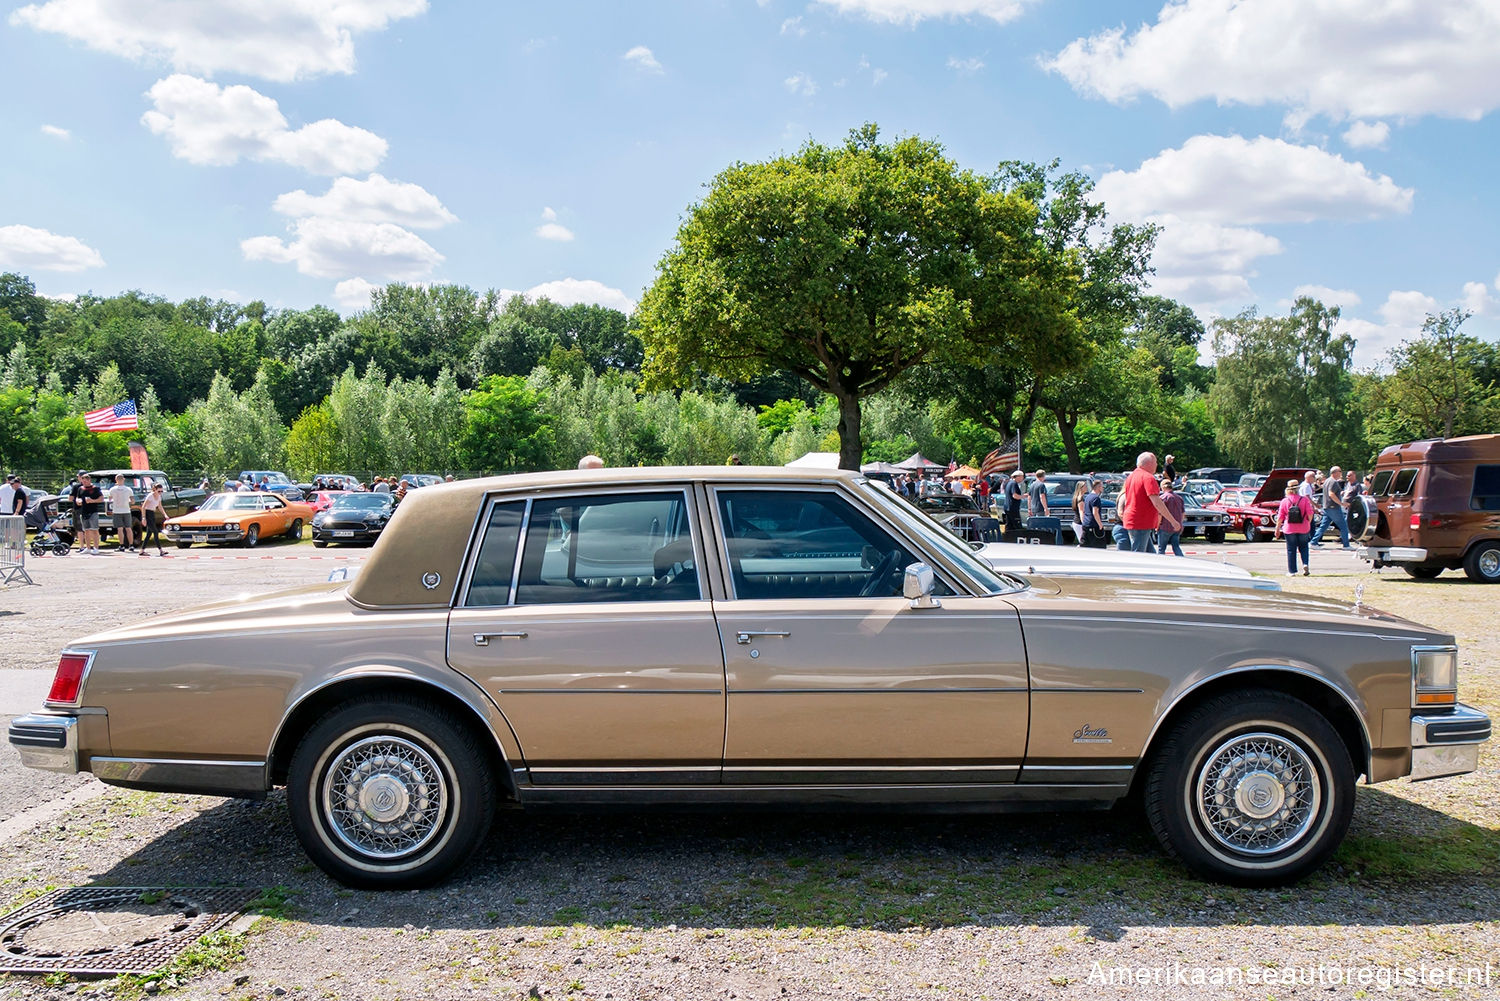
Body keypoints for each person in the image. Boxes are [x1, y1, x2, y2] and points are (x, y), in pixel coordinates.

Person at [1120, 452, 1181, 553]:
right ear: (1149, 464)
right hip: (1141, 522)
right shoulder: (1148, 478)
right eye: (1155, 462)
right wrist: (1173, 521)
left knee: (1151, 555)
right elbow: (1157, 502)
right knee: (1139, 557)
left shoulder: (1131, 477)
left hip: (1134, 519)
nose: (1157, 465)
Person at [1275, 479, 1315, 576]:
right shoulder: (1304, 500)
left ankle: (1292, 571)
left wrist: (1277, 529)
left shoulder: (1284, 501)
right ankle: (1305, 564)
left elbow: (1280, 517)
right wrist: (1307, 523)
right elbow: (1310, 514)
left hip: (1289, 528)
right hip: (1303, 527)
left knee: (1291, 549)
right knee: (1304, 547)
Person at [1311, 464, 1350, 549]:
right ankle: (1346, 545)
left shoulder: (1327, 481)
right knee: (1343, 526)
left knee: (1323, 526)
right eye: (1340, 471)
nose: (1341, 473)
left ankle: (1313, 542)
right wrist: (1341, 503)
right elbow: (1331, 494)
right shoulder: (1333, 482)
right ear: (1335, 472)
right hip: (1333, 507)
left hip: (1327, 507)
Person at [73, 472, 104, 554]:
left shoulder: (95, 488)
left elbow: (101, 498)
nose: (84, 483)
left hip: (93, 511)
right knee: (86, 530)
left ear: (89, 480)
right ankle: (88, 548)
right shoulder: (80, 489)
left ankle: (96, 548)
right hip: (83, 512)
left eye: (85, 481)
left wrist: (92, 501)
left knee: (94, 530)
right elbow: (77, 497)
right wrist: (78, 501)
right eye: (83, 481)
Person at [1157, 479, 1186, 557]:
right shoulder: (1179, 498)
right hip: (1177, 527)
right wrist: (1180, 524)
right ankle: (1182, 561)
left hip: (1165, 526)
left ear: (1162, 488)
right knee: (1176, 547)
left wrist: (1157, 525)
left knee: (1161, 549)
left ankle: (1160, 564)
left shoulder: (1162, 498)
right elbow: (1183, 513)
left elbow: (1160, 514)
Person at [107, 474, 136, 552]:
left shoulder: (112, 489)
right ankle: (131, 545)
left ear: (116, 480)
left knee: (120, 529)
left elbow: (109, 500)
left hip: (117, 511)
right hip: (126, 510)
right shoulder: (128, 489)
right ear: (124, 479)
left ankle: (122, 545)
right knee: (128, 528)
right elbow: (133, 501)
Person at [139, 482, 167, 556]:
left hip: (152, 513)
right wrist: (144, 517)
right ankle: (161, 550)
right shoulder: (150, 496)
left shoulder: (159, 497)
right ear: (154, 490)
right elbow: (143, 507)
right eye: (159, 491)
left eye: (161, 491)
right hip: (148, 513)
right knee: (155, 532)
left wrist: (165, 514)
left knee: (149, 534)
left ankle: (142, 550)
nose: (160, 493)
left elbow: (160, 507)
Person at [1081, 478, 1108, 548]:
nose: (1103, 488)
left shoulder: (1087, 497)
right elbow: (1095, 512)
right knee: (1099, 546)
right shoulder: (1096, 498)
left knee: (1085, 545)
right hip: (1093, 525)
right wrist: (1100, 525)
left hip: (1086, 524)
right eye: (1102, 486)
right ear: (1098, 487)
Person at [1003, 471, 1024, 536]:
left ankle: (1007, 537)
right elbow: (1015, 496)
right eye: (1022, 476)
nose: (1022, 478)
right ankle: (1019, 537)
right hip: (1013, 508)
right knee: (1017, 525)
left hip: (1008, 507)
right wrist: (1023, 496)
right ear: (1018, 476)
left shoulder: (1009, 483)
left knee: (1009, 525)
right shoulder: (1014, 484)